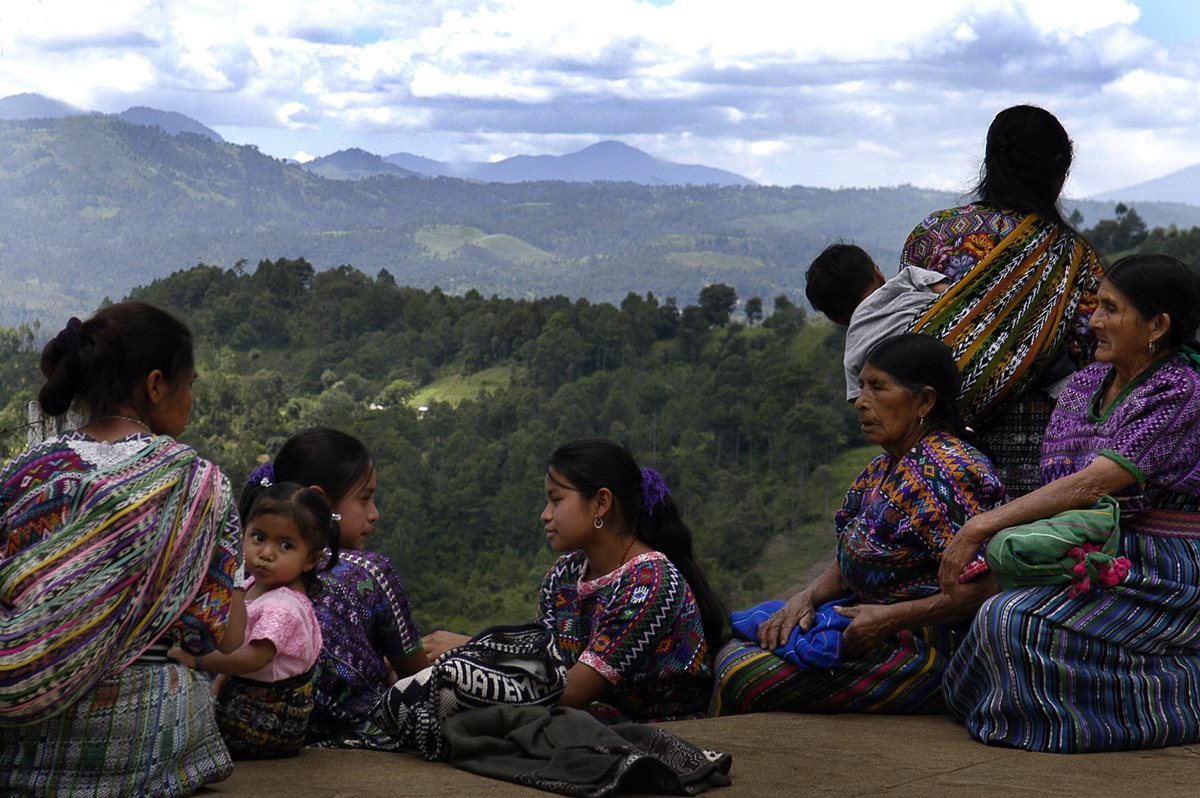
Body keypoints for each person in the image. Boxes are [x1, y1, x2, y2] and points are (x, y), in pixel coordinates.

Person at [940, 254, 1200, 753]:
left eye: (1110, 309)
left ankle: (1176, 700)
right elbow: (1060, 486)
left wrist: (979, 527)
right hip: (1091, 550)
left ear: (1158, 325)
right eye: (1096, 306)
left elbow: (1095, 482)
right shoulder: (1084, 384)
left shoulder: (1181, 390)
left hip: (1166, 565)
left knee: (1013, 621)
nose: (1094, 321)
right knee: (996, 617)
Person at [0, 302, 243, 797]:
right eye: (190, 383)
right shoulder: (199, 484)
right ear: (156, 385)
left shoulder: (24, 473)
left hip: (21, 735)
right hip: (145, 738)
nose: (192, 397)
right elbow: (227, 636)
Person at [711, 334, 1006, 716]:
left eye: (878, 388)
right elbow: (849, 558)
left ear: (924, 400)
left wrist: (889, 618)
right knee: (736, 644)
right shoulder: (883, 469)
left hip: (931, 648)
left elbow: (990, 584)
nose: (861, 402)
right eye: (862, 386)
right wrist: (806, 597)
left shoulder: (949, 474)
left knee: (744, 674)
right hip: (867, 628)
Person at [424, 439, 727, 722]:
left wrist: (474, 649)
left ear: (601, 504)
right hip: (588, 718)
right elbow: (545, 661)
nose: (545, 514)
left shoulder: (650, 583)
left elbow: (572, 691)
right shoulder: (565, 575)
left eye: (556, 500)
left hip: (657, 731)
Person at [900, 105, 1104, 495]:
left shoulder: (934, 235)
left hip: (935, 446)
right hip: (1036, 455)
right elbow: (1091, 358)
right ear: (1058, 176)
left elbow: (906, 336)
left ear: (990, 162)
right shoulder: (1075, 258)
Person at [253, 428, 426, 745]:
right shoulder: (369, 571)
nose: (375, 514)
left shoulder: (252, 571)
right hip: (354, 741)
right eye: (364, 499)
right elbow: (418, 677)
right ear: (319, 500)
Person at [170, 482, 335, 758]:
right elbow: (235, 651)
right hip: (243, 701)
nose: (266, 554)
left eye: (285, 545)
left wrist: (198, 662)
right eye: (258, 537)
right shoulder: (249, 586)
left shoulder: (284, 607)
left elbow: (252, 660)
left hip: (267, 719)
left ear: (311, 560)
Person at [805, 242, 948, 401]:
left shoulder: (852, 353)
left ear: (835, 319)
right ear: (878, 273)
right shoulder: (908, 277)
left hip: (928, 395)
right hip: (960, 337)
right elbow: (953, 294)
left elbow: (862, 401)